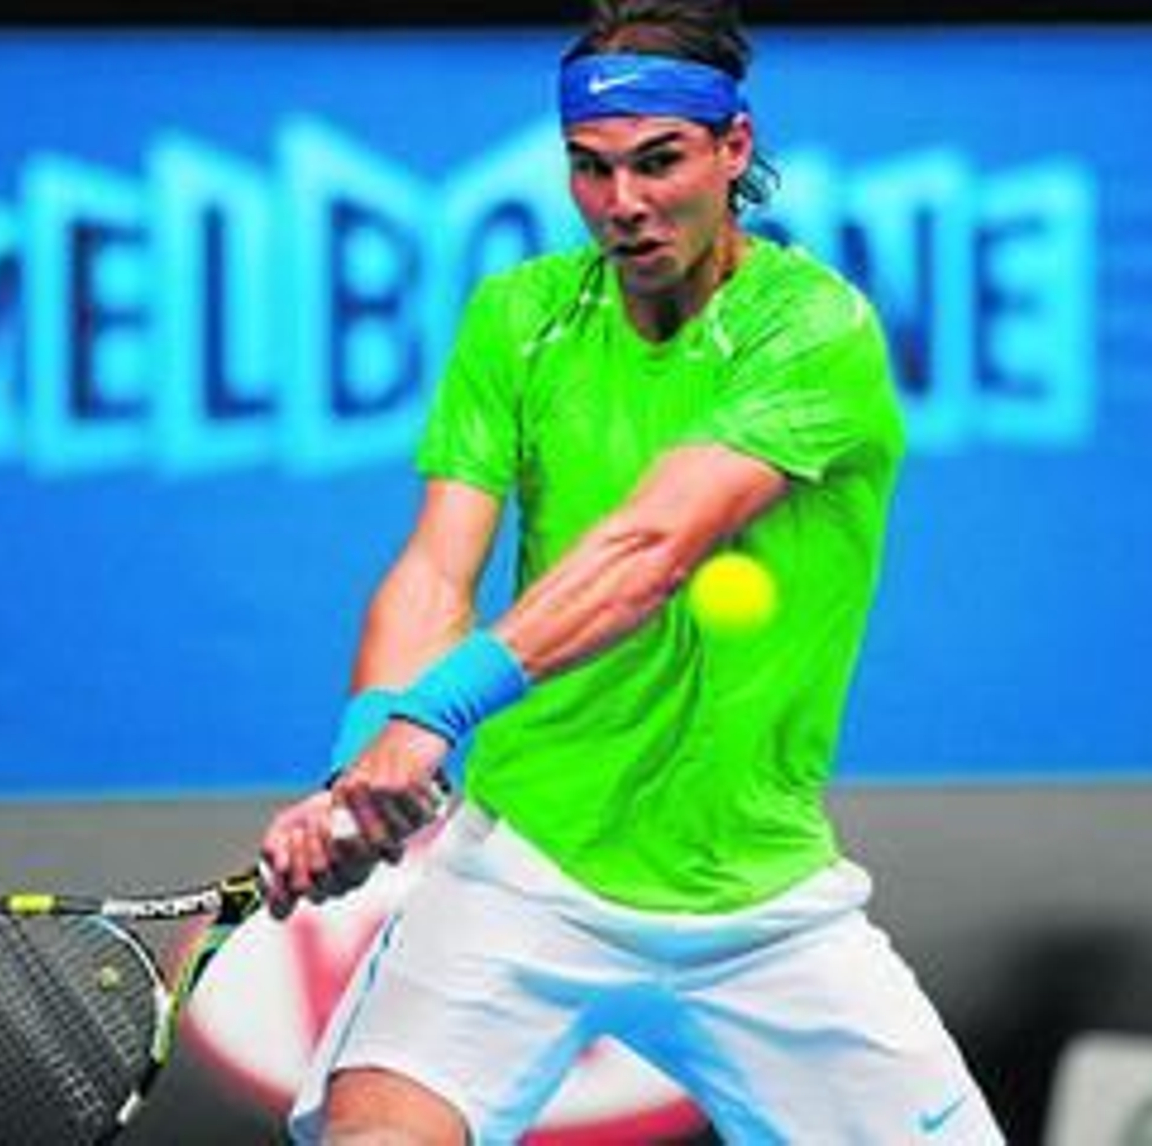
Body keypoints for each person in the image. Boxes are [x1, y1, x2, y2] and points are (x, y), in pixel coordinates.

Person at [259, 1, 1005, 1141]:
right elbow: (432, 571)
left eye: (659, 162)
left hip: (760, 907)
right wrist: (362, 765)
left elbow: (648, 551)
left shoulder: (813, 329)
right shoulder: (518, 318)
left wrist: (437, 710)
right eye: (591, 169)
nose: (625, 204)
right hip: (521, 870)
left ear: (733, 148)